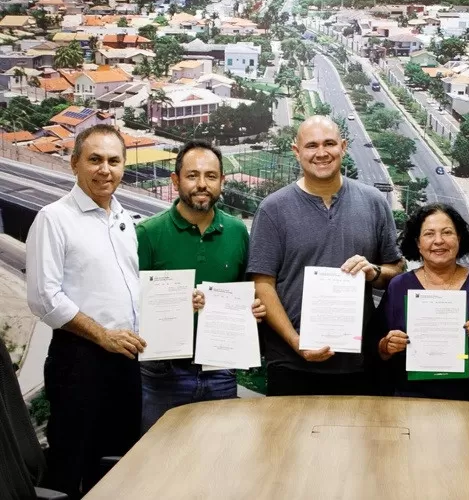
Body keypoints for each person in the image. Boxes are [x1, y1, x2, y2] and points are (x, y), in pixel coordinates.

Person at [26, 125, 145, 498]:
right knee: (70, 466)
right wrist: (102, 335)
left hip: (124, 360)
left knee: (117, 465)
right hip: (79, 361)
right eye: (94, 159)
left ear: (124, 166)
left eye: (114, 161)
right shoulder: (54, 218)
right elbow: (44, 297)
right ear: (74, 163)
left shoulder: (124, 220)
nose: (104, 169)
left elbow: (130, 288)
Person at [248, 116, 405, 396]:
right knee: (291, 440)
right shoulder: (273, 209)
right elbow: (263, 284)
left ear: (343, 147)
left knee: (355, 440)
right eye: (311, 146)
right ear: (297, 152)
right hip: (290, 362)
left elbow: (396, 270)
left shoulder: (374, 203)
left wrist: (375, 272)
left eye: (329, 143)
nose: (321, 153)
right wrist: (296, 341)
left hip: (359, 362)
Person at [136, 141, 266, 433]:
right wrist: (173, 304)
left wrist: (254, 309)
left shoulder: (237, 232)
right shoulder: (148, 233)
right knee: (158, 461)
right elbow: (130, 305)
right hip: (162, 375)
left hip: (220, 369)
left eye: (210, 176)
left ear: (222, 181)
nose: (202, 184)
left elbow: (247, 292)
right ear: (175, 180)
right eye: (192, 175)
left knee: (218, 458)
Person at [369, 204, 469, 401]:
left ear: (459, 238)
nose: (439, 241)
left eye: (447, 232)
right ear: (417, 243)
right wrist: (386, 346)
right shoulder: (400, 285)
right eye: (429, 234)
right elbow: (375, 344)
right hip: (409, 398)